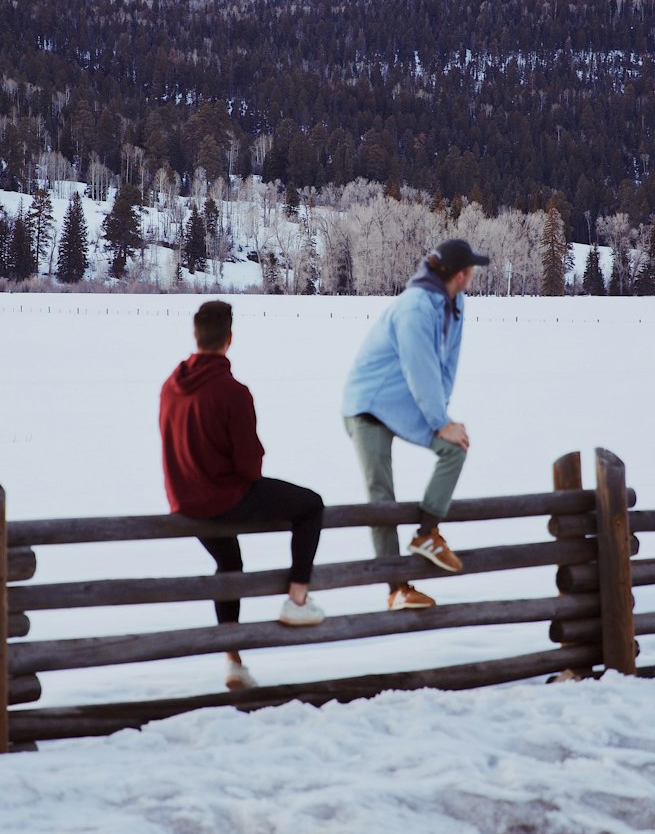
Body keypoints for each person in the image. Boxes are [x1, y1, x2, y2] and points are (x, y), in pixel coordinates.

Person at [159, 299, 325, 692]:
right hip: (223, 498)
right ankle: (298, 600)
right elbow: (250, 469)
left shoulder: (170, 386)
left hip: (185, 501)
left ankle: (233, 660)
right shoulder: (233, 392)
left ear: (195, 337)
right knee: (310, 506)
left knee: (229, 564)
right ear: (229, 339)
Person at [342, 238, 488, 610]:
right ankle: (397, 588)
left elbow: (445, 367)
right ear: (461, 274)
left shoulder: (455, 304)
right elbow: (419, 368)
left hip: (407, 403)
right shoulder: (415, 308)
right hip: (369, 404)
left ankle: (426, 534)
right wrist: (439, 420)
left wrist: (444, 421)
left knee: (454, 447)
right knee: (381, 494)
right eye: (471, 270)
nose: (473, 276)